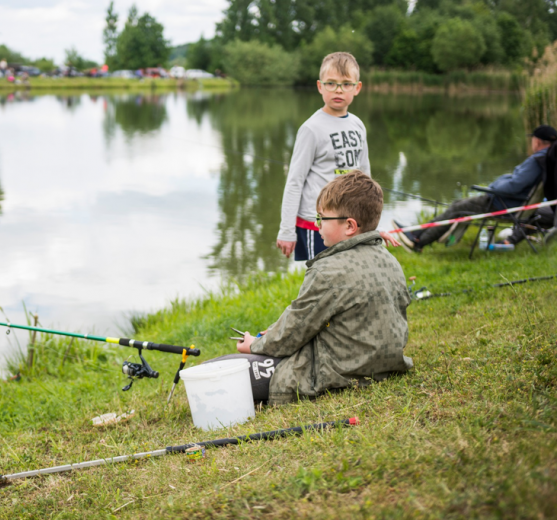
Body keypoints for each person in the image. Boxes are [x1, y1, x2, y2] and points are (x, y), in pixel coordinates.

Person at [209, 171, 413, 405]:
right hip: (386, 365)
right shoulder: (390, 260)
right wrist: (275, 329)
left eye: (321, 219)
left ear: (349, 226)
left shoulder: (328, 270)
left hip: (338, 373)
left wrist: (254, 344)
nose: (317, 226)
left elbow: (293, 331)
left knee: (217, 370)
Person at [276, 52, 398, 262]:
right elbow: (294, 182)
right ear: (319, 86)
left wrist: (371, 228)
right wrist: (286, 230)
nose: (338, 90)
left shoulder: (358, 125)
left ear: (357, 88)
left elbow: (365, 179)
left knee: (350, 273)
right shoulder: (311, 129)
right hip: (318, 224)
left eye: (346, 84)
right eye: (331, 83)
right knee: (323, 278)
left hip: (351, 222)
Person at [394, 125, 557, 252]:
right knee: (459, 205)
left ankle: (418, 240)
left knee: (459, 207)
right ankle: (418, 235)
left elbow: (514, 185)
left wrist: (492, 187)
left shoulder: (536, 161)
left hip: (503, 204)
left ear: (537, 141)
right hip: (514, 204)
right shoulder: (548, 160)